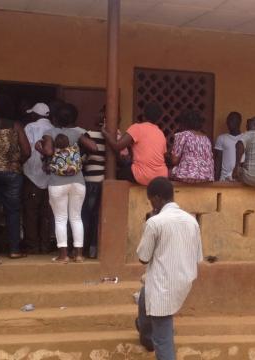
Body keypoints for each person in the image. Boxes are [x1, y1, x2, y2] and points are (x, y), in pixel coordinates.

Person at [136, 177, 203, 359]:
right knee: (144, 295)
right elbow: (198, 257)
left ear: (157, 198)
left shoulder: (155, 223)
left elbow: (143, 258)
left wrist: (148, 224)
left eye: (151, 200)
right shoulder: (192, 221)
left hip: (163, 287)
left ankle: (150, 335)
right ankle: (145, 332)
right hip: (184, 281)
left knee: (163, 339)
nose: (151, 204)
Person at [35, 103, 97, 263]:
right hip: (78, 181)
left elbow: (48, 151)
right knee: (76, 218)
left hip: (57, 182)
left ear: (54, 118)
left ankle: (63, 255)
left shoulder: (50, 132)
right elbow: (93, 147)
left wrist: (39, 148)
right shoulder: (77, 132)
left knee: (61, 218)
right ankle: (79, 255)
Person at [0, 94, 31, 259]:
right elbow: (26, 151)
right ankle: (14, 249)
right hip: (12, 174)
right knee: (13, 212)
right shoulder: (16, 126)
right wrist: (17, 164)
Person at [102, 102, 167, 185]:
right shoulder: (160, 133)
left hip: (143, 175)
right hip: (161, 176)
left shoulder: (137, 128)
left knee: (117, 174)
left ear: (143, 115)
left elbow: (117, 146)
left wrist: (105, 133)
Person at [22, 103, 54, 254]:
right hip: (50, 177)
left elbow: (25, 149)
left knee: (31, 212)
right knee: (47, 213)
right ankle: (46, 245)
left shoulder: (29, 127)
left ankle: (32, 245)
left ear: (35, 115)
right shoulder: (53, 129)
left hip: (31, 175)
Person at [81, 115, 106, 259]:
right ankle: (93, 250)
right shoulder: (117, 135)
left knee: (86, 216)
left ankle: (82, 249)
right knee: (97, 217)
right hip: (104, 181)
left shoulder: (89, 135)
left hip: (90, 181)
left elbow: (82, 158)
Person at [170, 109, 214, 183]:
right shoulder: (206, 138)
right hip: (207, 176)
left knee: (167, 172)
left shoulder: (183, 135)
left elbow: (174, 160)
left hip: (187, 176)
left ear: (184, 122)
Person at [214, 112, 243, 181]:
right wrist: (216, 179)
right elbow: (218, 160)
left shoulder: (245, 138)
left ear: (239, 122)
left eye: (232, 120)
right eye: (228, 120)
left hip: (240, 177)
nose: (228, 122)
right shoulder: (221, 138)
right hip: (224, 178)